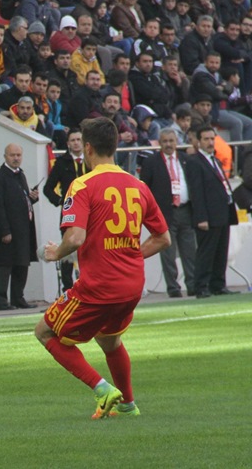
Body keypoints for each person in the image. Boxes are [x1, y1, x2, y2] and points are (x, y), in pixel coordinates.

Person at [35, 117, 171, 419]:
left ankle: (102, 389)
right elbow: (163, 238)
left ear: (87, 148)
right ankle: (128, 405)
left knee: (45, 332)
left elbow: (75, 237)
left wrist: (55, 253)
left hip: (99, 285)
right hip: (132, 285)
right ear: (116, 146)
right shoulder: (138, 185)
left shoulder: (82, 184)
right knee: (110, 340)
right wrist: (130, 255)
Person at [140, 128, 196, 298]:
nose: (168, 144)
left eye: (171, 141)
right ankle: (173, 288)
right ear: (159, 143)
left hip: (186, 210)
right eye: (165, 141)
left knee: (189, 252)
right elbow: (144, 189)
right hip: (164, 214)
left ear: (176, 142)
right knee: (168, 254)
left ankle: (193, 285)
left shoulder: (186, 160)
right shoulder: (151, 162)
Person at [185, 126, 239, 298]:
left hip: (222, 212)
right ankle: (201, 286)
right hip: (208, 215)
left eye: (212, 139)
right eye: (206, 139)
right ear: (198, 141)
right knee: (206, 252)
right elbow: (196, 192)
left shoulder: (215, 160)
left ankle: (218, 284)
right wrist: (201, 217)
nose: (210, 142)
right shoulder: (194, 162)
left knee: (221, 252)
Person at [0, 143, 39, 311]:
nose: (16, 158)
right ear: (5, 157)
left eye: (18, 155)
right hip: (8, 230)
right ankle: (1, 300)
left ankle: (18, 298)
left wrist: (32, 198)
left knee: (21, 264)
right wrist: (5, 230)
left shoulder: (20, 175)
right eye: (12, 155)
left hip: (23, 229)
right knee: (5, 264)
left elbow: (19, 201)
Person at [43, 129, 86, 292]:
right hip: (70, 214)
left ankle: (89, 284)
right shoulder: (62, 163)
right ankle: (67, 288)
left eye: (79, 139)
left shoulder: (91, 161)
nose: (76, 143)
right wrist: (60, 201)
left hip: (90, 212)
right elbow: (48, 188)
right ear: (68, 143)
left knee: (90, 248)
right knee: (68, 248)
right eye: (73, 140)